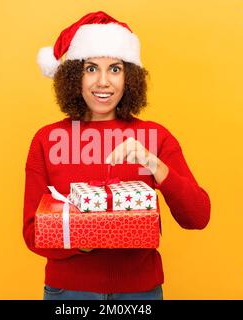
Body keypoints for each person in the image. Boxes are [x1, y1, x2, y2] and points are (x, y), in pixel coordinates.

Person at [23, 11, 211, 300]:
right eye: (90, 69)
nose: (103, 82)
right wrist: (89, 237)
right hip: (69, 293)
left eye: (115, 69)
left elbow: (198, 216)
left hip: (140, 293)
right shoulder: (46, 140)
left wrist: (153, 163)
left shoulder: (156, 137)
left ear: (129, 76)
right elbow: (33, 233)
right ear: (74, 76)